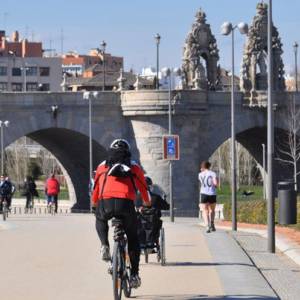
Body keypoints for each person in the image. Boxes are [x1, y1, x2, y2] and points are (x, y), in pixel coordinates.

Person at [92, 139, 151, 289]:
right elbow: (144, 189)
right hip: (126, 203)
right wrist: (147, 203)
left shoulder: (102, 166)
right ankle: (134, 275)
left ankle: (104, 245)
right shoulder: (133, 166)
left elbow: (96, 189)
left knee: (100, 218)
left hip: (106, 202)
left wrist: (94, 204)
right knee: (133, 238)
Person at [137, 176, 170, 249]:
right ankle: (150, 241)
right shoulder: (156, 197)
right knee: (156, 221)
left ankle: (141, 241)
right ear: (151, 186)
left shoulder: (136, 198)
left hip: (140, 227)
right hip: (153, 225)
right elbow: (166, 207)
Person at [198, 161, 218, 233]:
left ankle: (207, 226)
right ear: (209, 166)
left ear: (202, 167)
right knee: (212, 210)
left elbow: (202, 182)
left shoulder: (200, 174)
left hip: (203, 193)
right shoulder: (213, 173)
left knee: (204, 210)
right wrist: (216, 184)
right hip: (212, 194)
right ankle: (212, 223)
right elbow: (215, 184)